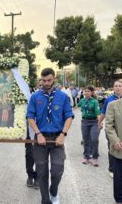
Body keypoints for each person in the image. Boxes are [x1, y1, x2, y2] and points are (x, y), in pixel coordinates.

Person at [27, 68, 74, 204]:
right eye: (43, 80)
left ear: (54, 79)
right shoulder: (35, 97)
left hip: (57, 139)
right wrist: (38, 134)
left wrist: (63, 134)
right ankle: (45, 199)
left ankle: (53, 191)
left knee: (57, 170)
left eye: (49, 80)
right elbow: (30, 117)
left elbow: (69, 116)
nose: (46, 83)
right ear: (40, 80)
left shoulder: (62, 97)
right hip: (40, 139)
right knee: (41, 172)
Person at [98, 80, 122, 177]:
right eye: (116, 86)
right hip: (111, 128)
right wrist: (99, 123)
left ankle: (121, 168)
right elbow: (103, 112)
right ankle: (112, 169)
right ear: (113, 88)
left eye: (119, 86)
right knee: (112, 147)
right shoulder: (109, 99)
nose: (118, 88)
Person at [77, 86, 101, 166]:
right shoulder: (82, 101)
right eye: (85, 91)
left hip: (94, 122)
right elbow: (77, 107)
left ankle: (95, 157)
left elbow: (98, 113)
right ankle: (86, 157)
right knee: (85, 140)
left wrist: (100, 122)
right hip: (84, 122)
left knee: (94, 139)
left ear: (92, 92)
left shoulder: (95, 101)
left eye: (88, 91)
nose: (86, 92)